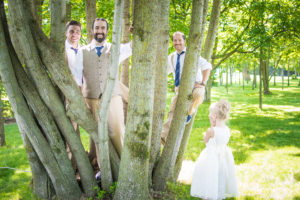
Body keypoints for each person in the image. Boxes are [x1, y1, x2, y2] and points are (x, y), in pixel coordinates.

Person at [80, 18, 132, 167]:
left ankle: (124, 167)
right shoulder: (82, 52)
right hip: (91, 99)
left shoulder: (115, 49)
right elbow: (78, 77)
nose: (100, 31)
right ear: (92, 30)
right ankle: (102, 170)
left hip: (113, 97)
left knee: (117, 131)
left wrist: (135, 32)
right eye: (97, 28)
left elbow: (133, 46)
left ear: (107, 31)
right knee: (98, 137)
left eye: (103, 28)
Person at [161, 31, 212, 145]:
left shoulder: (192, 53)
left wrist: (203, 83)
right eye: (175, 40)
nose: (177, 42)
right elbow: (164, 72)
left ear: (184, 41)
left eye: (180, 40)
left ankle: (189, 113)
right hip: (179, 89)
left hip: (196, 85)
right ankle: (163, 137)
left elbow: (207, 66)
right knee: (172, 112)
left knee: (198, 94)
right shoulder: (171, 57)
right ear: (172, 42)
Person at [190, 99, 238, 199]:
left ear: (215, 117)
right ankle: (217, 194)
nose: (208, 116)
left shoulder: (211, 130)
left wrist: (212, 127)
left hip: (211, 158)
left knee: (209, 176)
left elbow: (206, 140)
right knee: (219, 177)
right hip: (223, 157)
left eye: (210, 114)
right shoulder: (227, 130)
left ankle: (208, 195)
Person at [64, 20, 83, 169]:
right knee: (71, 128)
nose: (74, 34)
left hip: (85, 92)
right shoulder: (61, 49)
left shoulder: (83, 50)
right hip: (70, 93)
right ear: (66, 33)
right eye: (71, 31)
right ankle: (70, 166)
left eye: (77, 31)